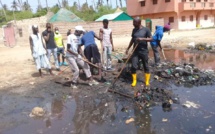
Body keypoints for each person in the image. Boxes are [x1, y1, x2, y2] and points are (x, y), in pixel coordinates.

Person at [125, 17, 152, 88]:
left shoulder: (146, 30)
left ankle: (147, 81)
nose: (133, 24)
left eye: (134, 22)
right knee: (133, 66)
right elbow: (132, 39)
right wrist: (128, 48)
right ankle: (134, 81)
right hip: (135, 51)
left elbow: (151, 39)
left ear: (139, 23)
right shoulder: (134, 30)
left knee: (145, 66)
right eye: (133, 22)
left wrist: (142, 39)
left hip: (144, 51)